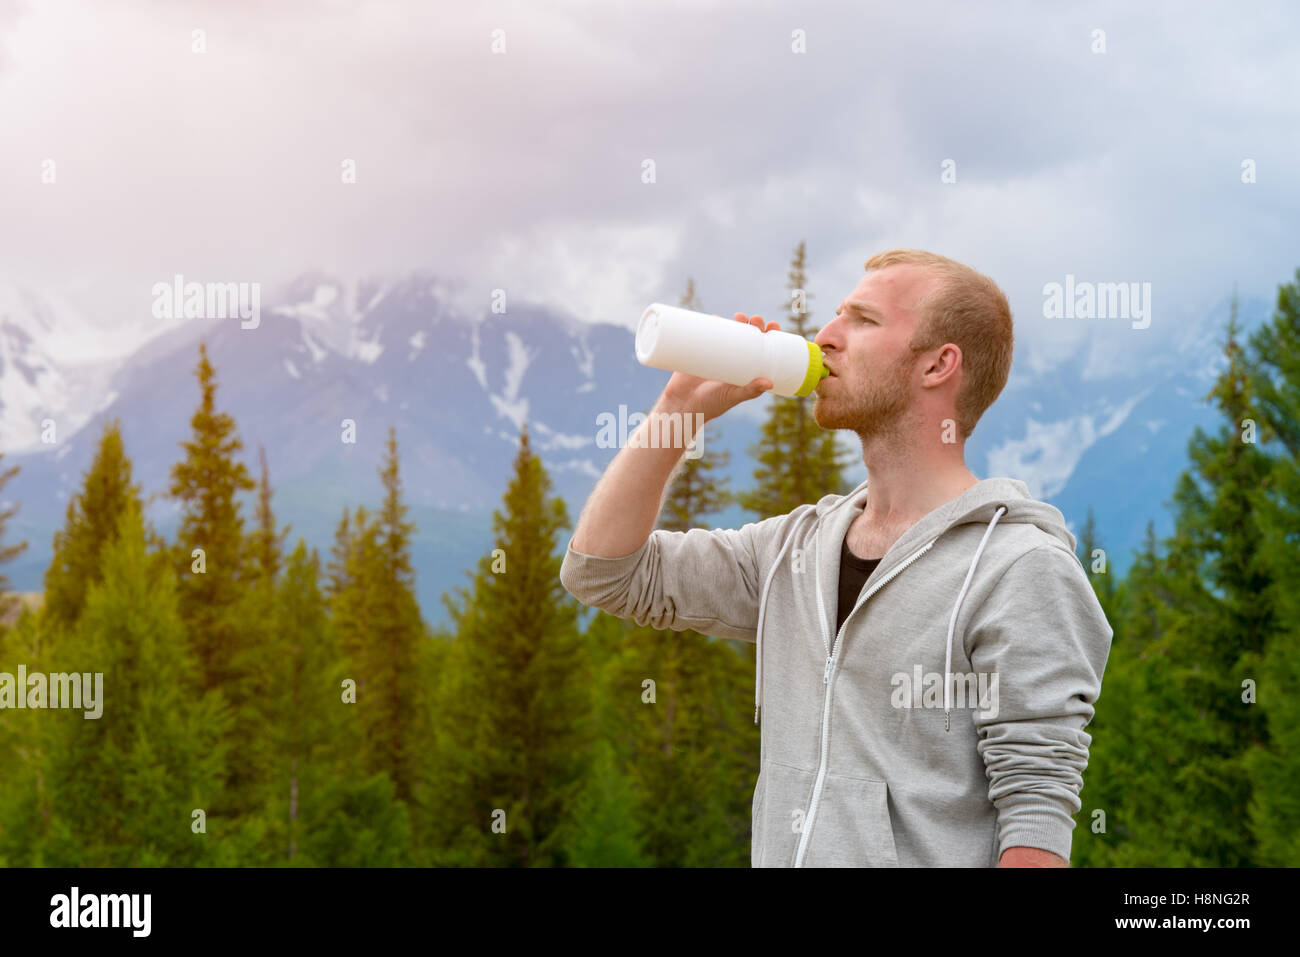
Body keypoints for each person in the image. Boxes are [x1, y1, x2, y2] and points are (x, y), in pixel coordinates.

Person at [559, 248, 1113, 867]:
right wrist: (676, 415)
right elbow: (605, 572)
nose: (825, 336)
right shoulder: (792, 551)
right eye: (835, 315)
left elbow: (1035, 820)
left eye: (863, 320)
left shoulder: (1019, 569)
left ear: (937, 364)